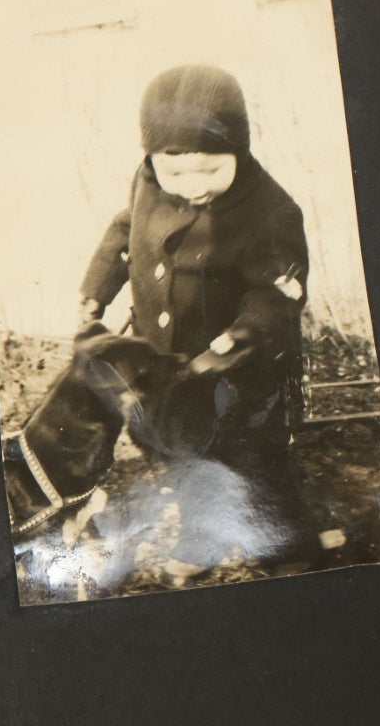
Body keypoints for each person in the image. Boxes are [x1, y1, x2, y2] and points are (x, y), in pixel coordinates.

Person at [79, 65, 308, 465]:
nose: (193, 185)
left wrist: (245, 330)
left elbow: (275, 291)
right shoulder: (147, 180)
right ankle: (177, 479)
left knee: (241, 454)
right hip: (162, 353)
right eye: (176, 172)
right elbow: (126, 228)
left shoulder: (269, 210)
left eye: (211, 170)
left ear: (239, 150)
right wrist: (96, 290)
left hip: (228, 366)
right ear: (151, 159)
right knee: (165, 432)